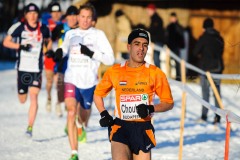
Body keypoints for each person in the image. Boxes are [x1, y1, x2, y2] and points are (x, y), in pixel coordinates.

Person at [94, 28, 174, 160]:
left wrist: (151, 108)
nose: (141, 48)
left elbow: (169, 103)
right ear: (129, 47)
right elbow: (98, 94)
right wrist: (104, 113)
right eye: (137, 44)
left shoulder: (155, 73)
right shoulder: (115, 71)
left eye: (145, 45)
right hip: (120, 127)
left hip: (143, 128)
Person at [55, 3, 114, 160]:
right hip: (71, 79)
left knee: (82, 116)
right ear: (78, 17)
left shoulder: (98, 35)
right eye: (82, 16)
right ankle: (74, 152)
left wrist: (91, 53)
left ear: (93, 19)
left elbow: (110, 59)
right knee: (71, 112)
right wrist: (58, 53)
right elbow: (64, 48)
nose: (85, 20)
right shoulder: (70, 34)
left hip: (88, 83)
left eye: (89, 17)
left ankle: (81, 126)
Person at [3, 3, 52, 137]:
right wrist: (20, 46)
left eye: (35, 13)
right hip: (22, 69)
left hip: (36, 69)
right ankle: (21, 92)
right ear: (25, 15)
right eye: (30, 13)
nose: (32, 16)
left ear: (38, 15)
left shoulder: (43, 28)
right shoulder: (19, 27)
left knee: (34, 97)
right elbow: (6, 42)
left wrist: (47, 50)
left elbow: (48, 41)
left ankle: (29, 127)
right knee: (22, 99)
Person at [193, 18, 224, 124]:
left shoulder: (203, 38)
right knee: (217, 93)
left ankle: (204, 115)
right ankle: (218, 117)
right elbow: (221, 50)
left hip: (205, 69)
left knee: (205, 93)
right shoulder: (219, 37)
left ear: (204, 27)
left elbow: (195, 51)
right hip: (217, 68)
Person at [51, 5, 79, 117]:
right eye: (70, 16)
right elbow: (50, 41)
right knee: (60, 84)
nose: (72, 18)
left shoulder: (81, 29)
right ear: (66, 17)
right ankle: (59, 101)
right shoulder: (60, 27)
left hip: (76, 61)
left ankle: (72, 110)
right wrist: (51, 51)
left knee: (75, 87)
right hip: (62, 60)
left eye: (75, 15)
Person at [43, 1, 63, 113]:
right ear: (51, 13)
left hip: (60, 56)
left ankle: (58, 103)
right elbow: (44, 40)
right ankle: (49, 98)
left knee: (59, 82)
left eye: (58, 12)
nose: (56, 14)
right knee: (50, 81)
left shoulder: (65, 23)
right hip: (50, 56)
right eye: (53, 12)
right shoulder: (47, 24)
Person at [165, 12, 185, 81]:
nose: (172, 19)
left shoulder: (178, 27)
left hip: (176, 48)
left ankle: (178, 77)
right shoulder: (168, 27)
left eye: (173, 18)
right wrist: (167, 45)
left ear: (176, 18)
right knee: (168, 62)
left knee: (177, 63)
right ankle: (169, 76)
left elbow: (181, 37)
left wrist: (181, 46)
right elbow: (166, 37)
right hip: (170, 47)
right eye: (171, 18)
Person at [146, 3, 165, 68]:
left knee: (156, 58)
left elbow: (154, 30)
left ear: (152, 10)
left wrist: (154, 41)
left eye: (149, 10)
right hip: (156, 41)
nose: (147, 12)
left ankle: (159, 75)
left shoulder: (156, 19)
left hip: (158, 41)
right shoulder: (153, 19)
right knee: (155, 58)